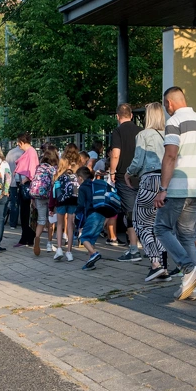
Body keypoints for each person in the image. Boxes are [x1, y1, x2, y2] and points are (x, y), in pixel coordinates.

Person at [154, 87, 196, 302]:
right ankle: (191, 287)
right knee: (187, 233)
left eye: (165, 106)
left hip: (178, 187)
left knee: (161, 228)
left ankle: (189, 268)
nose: (166, 110)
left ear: (169, 103)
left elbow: (170, 156)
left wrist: (162, 189)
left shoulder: (174, 122)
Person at [126, 102, 167, 281]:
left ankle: (155, 264)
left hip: (149, 180)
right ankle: (163, 267)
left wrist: (128, 173)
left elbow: (138, 160)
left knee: (140, 222)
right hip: (166, 182)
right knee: (159, 225)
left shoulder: (144, 135)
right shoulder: (169, 135)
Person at [110, 104, 144, 261]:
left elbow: (115, 154)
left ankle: (133, 249)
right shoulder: (141, 131)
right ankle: (148, 246)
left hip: (124, 177)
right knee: (143, 211)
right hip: (141, 176)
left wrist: (112, 172)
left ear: (118, 116)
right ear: (131, 115)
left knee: (130, 212)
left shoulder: (117, 132)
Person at [52, 149, 80, 263]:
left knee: (59, 225)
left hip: (61, 202)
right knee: (70, 225)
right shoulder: (75, 174)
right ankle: (69, 251)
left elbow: (54, 192)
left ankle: (59, 248)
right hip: (73, 200)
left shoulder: (58, 175)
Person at [30, 145, 58, 255]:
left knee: (41, 220)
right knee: (51, 220)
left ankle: (37, 238)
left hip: (38, 196)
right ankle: (49, 244)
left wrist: (32, 198)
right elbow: (54, 184)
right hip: (50, 197)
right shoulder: (53, 169)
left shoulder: (39, 167)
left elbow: (34, 181)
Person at [76, 167, 105, 270]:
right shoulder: (95, 184)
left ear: (80, 178)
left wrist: (77, 215)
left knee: (84, 238)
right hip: (102, 214)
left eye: (77, 179)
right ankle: (90, 263)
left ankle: (93, 254)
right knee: (92, 239)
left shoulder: (83, 188)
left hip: (92, 214)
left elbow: (80, 204)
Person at [13, 134, 39, 247]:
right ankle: (26, 237)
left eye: (19, 142)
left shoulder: (31, 152)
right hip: (24, 183)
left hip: (26, 185)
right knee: (25, 212)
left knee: (26, 212)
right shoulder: (29, 152)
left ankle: (27, 237)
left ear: (23, 141)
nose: (18, 145)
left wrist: (25, 180)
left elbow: (33, 170)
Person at [5, 143, 24, 228]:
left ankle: (13, 223)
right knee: (23, 203)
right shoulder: (24, 153)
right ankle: (24, 223)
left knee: (14, 203)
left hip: (11, 182)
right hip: (22, 181)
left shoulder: (10, 153)